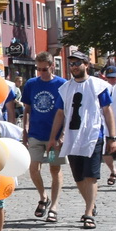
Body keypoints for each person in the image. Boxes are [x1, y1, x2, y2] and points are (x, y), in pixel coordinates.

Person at [45, 50, 116, 230]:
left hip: (93, 135)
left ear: (87, 64)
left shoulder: (98, 85)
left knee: (90, 176)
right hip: (72, 136)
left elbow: (107, 111)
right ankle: (91, 204)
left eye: (77, 63)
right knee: (78, 177)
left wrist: (112, 137)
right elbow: (60, 114)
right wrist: (53, 137)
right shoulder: (65, 88)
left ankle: (88, 213)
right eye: (72, 64)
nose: (74, 67)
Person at [20, 53, 65, 222]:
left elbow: (66, 112)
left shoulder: (62, 84)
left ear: (52, 66)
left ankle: (54, 205)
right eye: (38, 69)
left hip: (53, 138)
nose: (41, 72)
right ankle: (43, 196)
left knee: (55, 169)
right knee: (33, 167)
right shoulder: (31, 84)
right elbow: (27, 109)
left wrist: (62, 134)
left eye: (44, 69)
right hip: (36, 135)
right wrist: (25, 130)